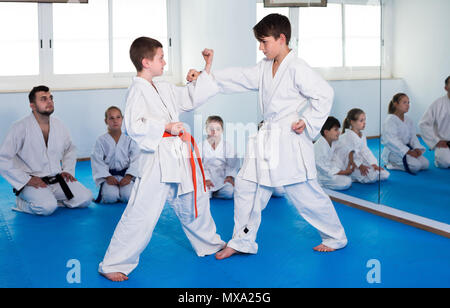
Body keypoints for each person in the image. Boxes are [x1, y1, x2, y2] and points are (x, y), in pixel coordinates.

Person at [189, 14, 347, 258]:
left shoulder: (297, 67)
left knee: (305, 193)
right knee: (246, 186)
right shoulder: (265, 67)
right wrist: (205, 76)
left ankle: (336, 236)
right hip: (267, 136)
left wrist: (307, 121)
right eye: (260, 43)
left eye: (264, 42)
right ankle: (242, 240)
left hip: (290, 137)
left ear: (281, 38)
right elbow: (238, 77)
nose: (261, 48)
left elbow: (325, 93)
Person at [98, 37, 225, 282]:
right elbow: (133, 127)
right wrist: (165, 126)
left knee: (192, 199)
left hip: (176, 153)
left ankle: (210, 243)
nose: (165, 62)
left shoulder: (163, 87)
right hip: (155, 157)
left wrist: (205, 68)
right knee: (142, 211)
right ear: (146, 62)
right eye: (160, 58)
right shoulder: (136, 89)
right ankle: (113, 263)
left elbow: (189, 97)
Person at [0, 85, 92, 216]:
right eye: (43, 99)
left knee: (86, 198)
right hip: (32, 182)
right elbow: (3, 158)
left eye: (50, 98)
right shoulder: (19, 127)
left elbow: (70, 148)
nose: (49, 101)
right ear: (32, 105)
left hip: (56, 179)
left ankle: (52, 201)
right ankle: (22, 202)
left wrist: (67, 169)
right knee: (46, 208)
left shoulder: (58, 124)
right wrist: (26, 180)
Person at [91, 106, 140, 204]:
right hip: (109, 177)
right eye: (111, 118)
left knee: (128, 196)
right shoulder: (101, 141)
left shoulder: (130, 140)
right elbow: (97, 161)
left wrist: (129, 176)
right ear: (106, 121)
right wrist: (107, 177)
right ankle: (110, 190)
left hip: (126, 176)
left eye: (118, 117)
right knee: (110, 198)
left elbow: (136, 159)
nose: (115, 121)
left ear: (122, 119)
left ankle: (122, 191)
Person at [338, 108, 390, 184]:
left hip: (360, 160)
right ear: (352, 122)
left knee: (384, 174)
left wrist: (373, 164)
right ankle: (352, 175)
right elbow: (351, 155)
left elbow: (366, 151)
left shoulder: (362, 135)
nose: (364, 123)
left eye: (364, 120)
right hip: (350, 164)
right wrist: (360, 166)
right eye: (361, 120)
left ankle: (362, 174)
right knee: (371, 177)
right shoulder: (348, 136)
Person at [382, 93, 429, 174]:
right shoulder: (390, 120)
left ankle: (406, 160)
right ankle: (391, 164)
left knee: (425, 164)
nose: (408, 105)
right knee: (416, 166)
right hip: (394, 151)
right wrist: (408, 151)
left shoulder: (408, 120)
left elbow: (413, 137)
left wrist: (417, 148)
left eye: (408, 102)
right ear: (396, 104)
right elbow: (391, 141)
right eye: (404, 102)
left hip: (407, 148)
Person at [201, 115, 240, 199]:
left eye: (218, 129)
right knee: (204, 195)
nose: (214, 132)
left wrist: (229, 176)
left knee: (229, 193)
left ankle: (216, 193)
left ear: (222, 130)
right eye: (211, 129)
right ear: (206, 130)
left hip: (223, 179)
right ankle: (210, 193)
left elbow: (233, 164)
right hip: (206, 179)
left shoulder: (228, 146)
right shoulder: (201, 146)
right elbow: (196, 166)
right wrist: (205, 179)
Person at [314, 116, 353, 190]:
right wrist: (344, 172)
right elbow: (324, 169)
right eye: (336, 130)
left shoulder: (333, 141)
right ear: (326, 132)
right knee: (347, 182)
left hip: (329, 169)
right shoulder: (319, 147)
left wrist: (349, 165)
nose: (339, 132)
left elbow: (348, 149)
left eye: (338, 129)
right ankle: (321, 184)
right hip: (321, 175)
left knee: (343, 151)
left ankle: (340, 175)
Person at [419, 76, 450, 168]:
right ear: (446, 88)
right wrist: (436, 141)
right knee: (444, 163)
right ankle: (439, 156)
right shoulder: (438, 104)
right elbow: (423, 124)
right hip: (444, 143)